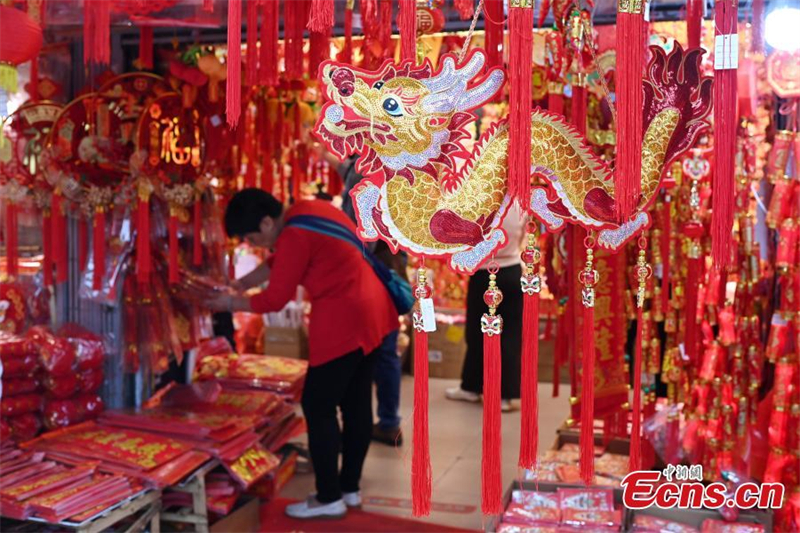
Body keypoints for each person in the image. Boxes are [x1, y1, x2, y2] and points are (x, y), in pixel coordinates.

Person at [208, 189, 398, 520]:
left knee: (317, 405)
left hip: (343, 320)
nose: (253, 244)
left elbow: (275, 299)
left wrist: (229, 303)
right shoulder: (308, 211)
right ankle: (349, 489)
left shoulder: (293, 235)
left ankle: (328, 496)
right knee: (355, 404)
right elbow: (279, 263)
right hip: (373, 311)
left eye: (252, 237)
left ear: (266, 223)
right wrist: (240, 285)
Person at [326, 149, 406, 447]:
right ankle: (387, 421)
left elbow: (363, 234)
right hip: (386, 264)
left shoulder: (367, 168)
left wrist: (347, 264)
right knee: (384, 351)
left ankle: (367, 422)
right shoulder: (379, 161)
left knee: (366, 350)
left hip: (370, 268)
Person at [445, 205, 526, 412]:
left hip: (484, 271)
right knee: (509, 334)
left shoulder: (480, 200)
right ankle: (502, 395)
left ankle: (472, 387)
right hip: (512, 269)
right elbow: (523, 237)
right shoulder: (520, 203)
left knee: (477, 332)